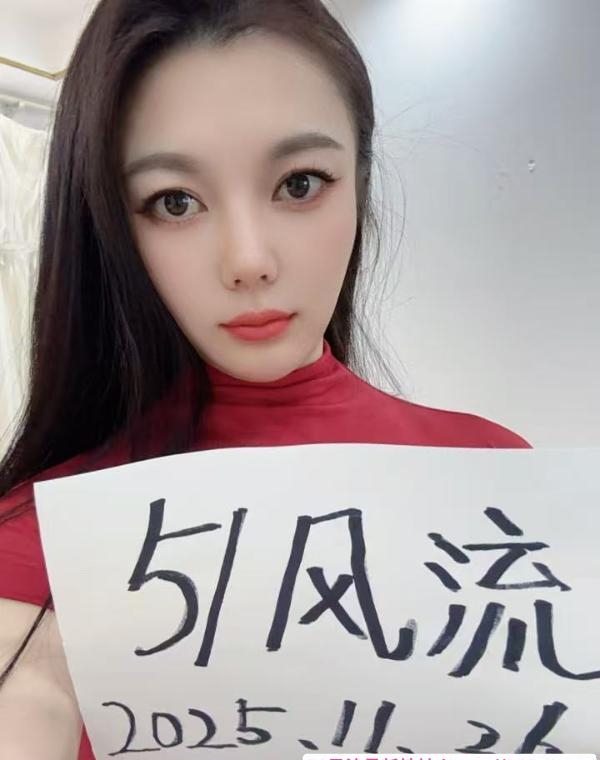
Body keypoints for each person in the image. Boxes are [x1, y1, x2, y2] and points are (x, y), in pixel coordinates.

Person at [0, 0, 532, 757]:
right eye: (175, 202)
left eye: (300, 183)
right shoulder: (41, 539)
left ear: (360, 181)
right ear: (112, 225)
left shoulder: (495, 478)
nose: (248, 260)